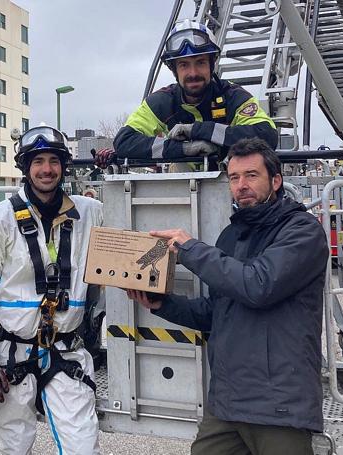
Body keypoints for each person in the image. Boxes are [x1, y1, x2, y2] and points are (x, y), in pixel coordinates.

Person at [128, 138, 329, 454]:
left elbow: (257, 286)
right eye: (234, 178)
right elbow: (217, 311)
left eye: (251, 175)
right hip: (227, 403)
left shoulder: (302, 231)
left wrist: (191, 249)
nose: (241, 185)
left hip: (279, 406)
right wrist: (163, 304)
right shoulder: (232, 235)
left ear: (276, 181)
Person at [0, 125, 103, 454]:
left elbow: (124, 252)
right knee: (14, 448)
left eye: (53, 161)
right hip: (12, 356)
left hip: (67, 351)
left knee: (82, 448)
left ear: (63, 166)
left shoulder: (90, 213)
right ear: (25, 168)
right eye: (38, 161)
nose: (46, 169)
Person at [94, 19, 277, 168]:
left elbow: (267, 135)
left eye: (200, 62)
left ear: (212, 64)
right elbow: (125, 141)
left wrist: (197, 130)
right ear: (174, 69)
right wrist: (184, 149)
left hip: (232, 189)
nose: (193, 73)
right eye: (184, 65)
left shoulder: (233, 96)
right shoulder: (161, 103)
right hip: (182, 195)